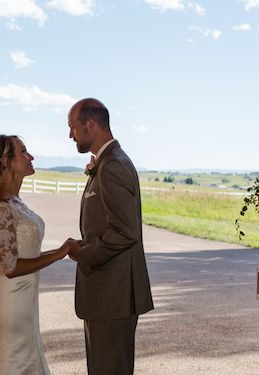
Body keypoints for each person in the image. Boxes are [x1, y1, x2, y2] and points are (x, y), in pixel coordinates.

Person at [0, 134, 81, 375]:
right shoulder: (0, 207)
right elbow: (10, 267)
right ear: (6, 162)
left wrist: (64, 249)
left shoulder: (15, 201)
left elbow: (27, 254)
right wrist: (60, 253)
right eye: (23, 152)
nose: (31, 157)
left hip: (24, 300)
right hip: (10, 302)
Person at [67, 98, 154, 375]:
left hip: (112, 294)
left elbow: (125, 231)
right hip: (110, 294)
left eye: (73, 127)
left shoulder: (113, 165)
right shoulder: (107, 161)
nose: (71, 135)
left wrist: (84, 254)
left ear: (90, 124)